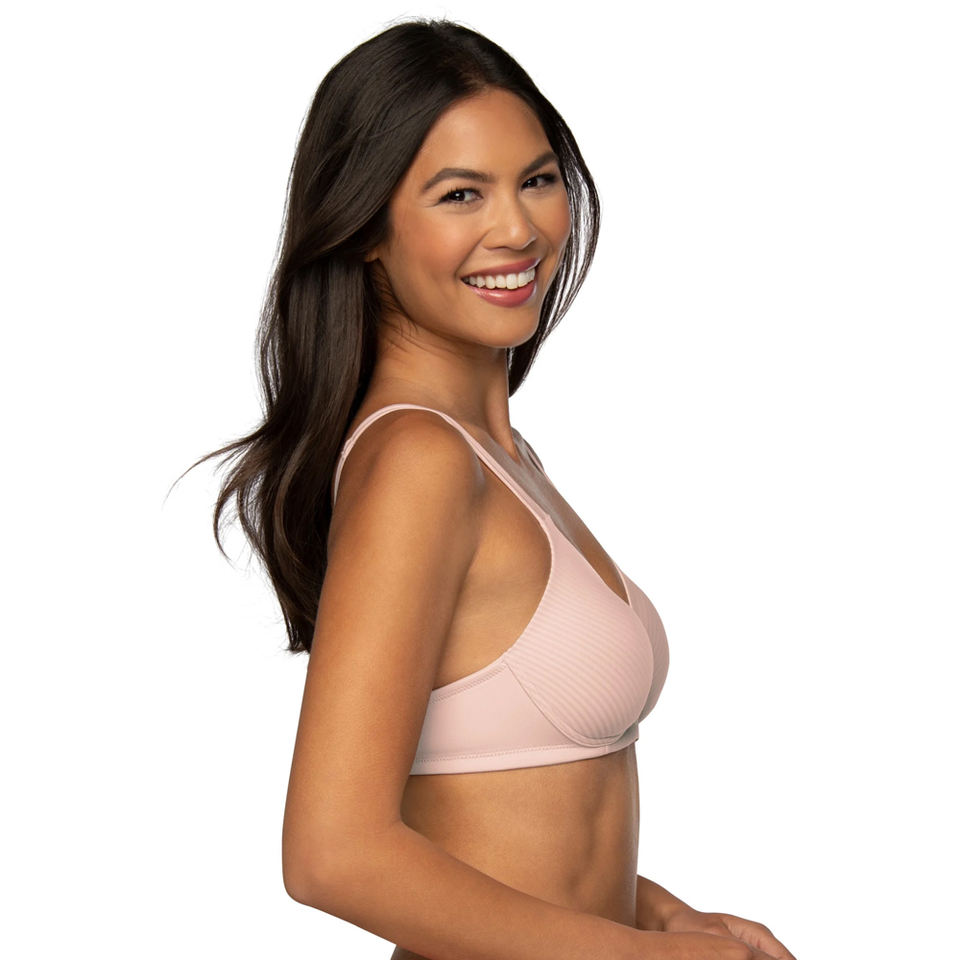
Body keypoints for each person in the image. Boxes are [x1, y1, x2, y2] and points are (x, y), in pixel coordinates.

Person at [195, 18, 797, 960]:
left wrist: (659, 913)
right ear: (366, 226)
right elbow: (331, 853)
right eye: (460, 194)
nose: (517, 229)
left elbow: (493, 823)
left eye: (538, 180)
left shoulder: (500, 459)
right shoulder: (419, 461)